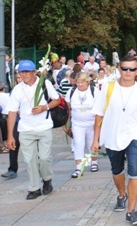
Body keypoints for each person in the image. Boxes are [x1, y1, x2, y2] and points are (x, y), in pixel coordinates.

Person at [91, 54, 137, 226]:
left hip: (134, 136)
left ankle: (132, 211)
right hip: (112, 136)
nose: (128, 72)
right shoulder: (108, 88)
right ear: (119, 69)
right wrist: (95, 139)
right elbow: (99, 114)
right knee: (117, 171)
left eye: (132, 69)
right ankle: (121, 194)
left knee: (135, 172)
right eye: (124, 68)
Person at [5, 60, 60, 199]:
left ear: (34, 72)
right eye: (21, 72)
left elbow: (57, 100)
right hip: (25, 129)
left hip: (44, 126)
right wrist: (10, 136)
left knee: (44, 158)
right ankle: (34, 188)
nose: (24, 75)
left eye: (27, 72)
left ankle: (47, 180)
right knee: (30, 160)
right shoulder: (17, 89)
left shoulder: (44, 84)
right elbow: (11, 112)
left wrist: (43, 107)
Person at [66, 73, 98, 176]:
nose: (79, 85)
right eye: (78, 82)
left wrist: (99, 124)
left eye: (82, 82)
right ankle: (78, 167)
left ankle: (94, 162)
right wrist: (67, 123)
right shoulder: (71, 92)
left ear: (87, 82)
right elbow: (68, 108)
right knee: (78, 144)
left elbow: (100, 108)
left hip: (92, 123)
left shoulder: (94, 91)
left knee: (91, 143)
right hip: (77, 123)